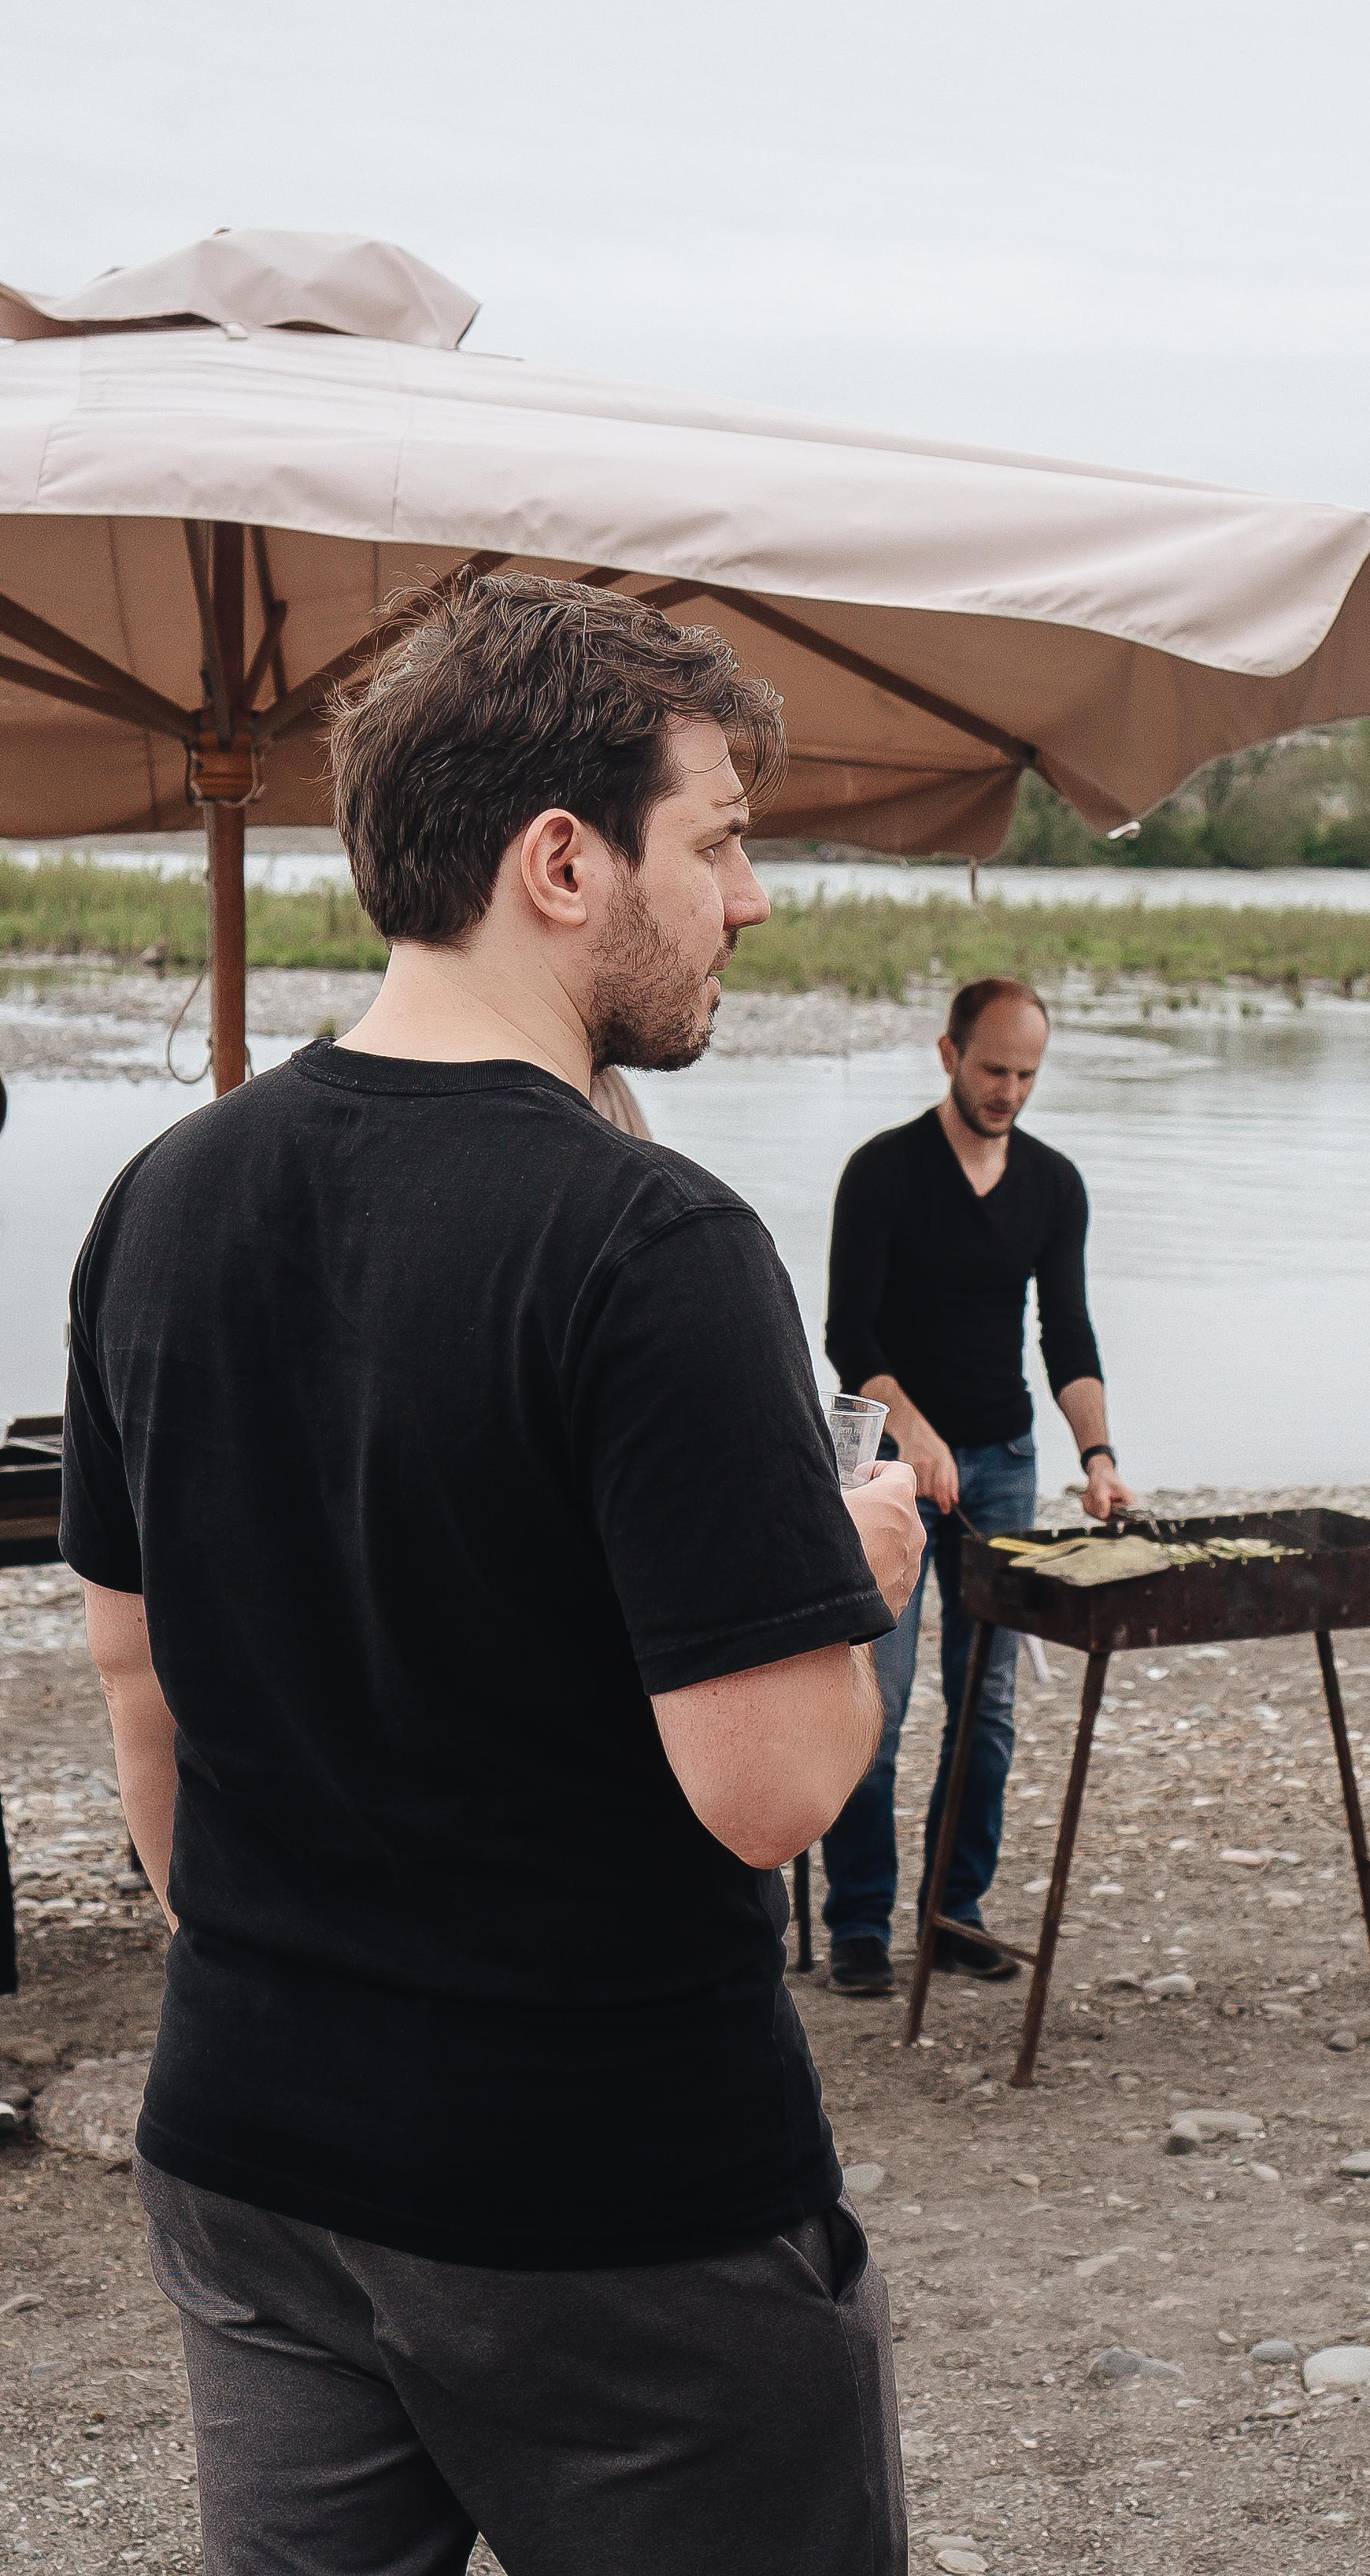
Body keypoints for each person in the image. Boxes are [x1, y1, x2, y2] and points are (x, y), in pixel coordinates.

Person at [62, 575, 925, 2576]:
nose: (750, 901)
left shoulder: (162, 1195)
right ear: (561, 862)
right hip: (606, 2195)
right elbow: (771, 1787)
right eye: (717, 842)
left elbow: (139, 1684)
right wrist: (850, 1574)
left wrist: (295, 1975)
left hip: (250, 2152)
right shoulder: (655, 1246)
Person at [819, 976, 1135, 1997]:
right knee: (877, 1703)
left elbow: (1067, 1336)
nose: (1010, 1091)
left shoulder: (1054, 1185)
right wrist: (914, 1435)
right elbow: (848, 1334)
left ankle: (955, 1913)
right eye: (995, 1069)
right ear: (949, 1055)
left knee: (987, 1706)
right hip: (885, 1464)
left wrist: (1098, 1457)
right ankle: (858, 1924)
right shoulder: (883, 1171)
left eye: (1028, 1075)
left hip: (1003, 1462)